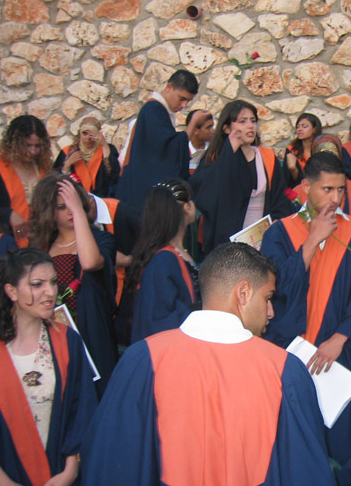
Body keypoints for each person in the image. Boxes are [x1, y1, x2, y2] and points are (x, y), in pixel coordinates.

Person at [76, 242, 344, 486]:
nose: (271, 312)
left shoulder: (142, 360)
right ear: (243, 293)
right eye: (268, 298)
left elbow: (109, 474)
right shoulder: (284, 371)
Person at [261, 152, 351, 464]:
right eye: (327, 189)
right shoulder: (279, 232)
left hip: (343, 357)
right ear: (306, 187)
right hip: (293, 356)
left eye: (341, 189)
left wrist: (341, 338)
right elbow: (274, 294)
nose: (336, 198)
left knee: (348, 448)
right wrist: (312, 241)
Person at [0, 248, 97, 486]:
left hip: (59, 480)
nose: (50, 292)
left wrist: (70, 471)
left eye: (53, 282)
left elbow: (82, 410)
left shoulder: (68, 340)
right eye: (37, 284)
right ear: (11, 291)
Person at [29, 173, 117, 396]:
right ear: (48, 211)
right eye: (61, 207)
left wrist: (78, 212)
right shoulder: (41, 247)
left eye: (73, 203)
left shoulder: (102, 239)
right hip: (50, 334)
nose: (69, 211)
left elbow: (89, 262)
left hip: (90, 333)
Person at [192, 100, 292, 255]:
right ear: (226, 128)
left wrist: (277, 220)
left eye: (253, 121)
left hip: (261, 237)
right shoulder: (215, 158)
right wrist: (229, 150)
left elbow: (280, 198)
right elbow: (207, 195)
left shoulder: (267, 157)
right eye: (242, 121)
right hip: (228, 239)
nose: (250, 126)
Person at [115, 70, 210, 217]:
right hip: (139, 191)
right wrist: (193, 123)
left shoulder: (161, 111)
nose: (184, 105)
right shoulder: (153, 109)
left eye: (188, 101)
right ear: (169, 87)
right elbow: (169, 149)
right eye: (182, 98)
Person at [122, 179, 198, 345]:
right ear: (187, 207)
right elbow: (159, 319)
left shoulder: (172, 254)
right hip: (172, 347)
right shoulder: (163, 260)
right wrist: (200, 311)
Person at [0, 115, 54, 246]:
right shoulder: (1, 165)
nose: (33, 151)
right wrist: (8, 214)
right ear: (14, 143)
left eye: (37, 146)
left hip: (41, 241)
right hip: (7, 242)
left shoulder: (44, 168)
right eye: (27, 145)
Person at [53, 117, 120, 197]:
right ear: (80, 133)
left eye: (92, 134)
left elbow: (114, 178)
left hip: (101, 200)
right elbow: (55, 180)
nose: (88, 138)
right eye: (84, 133)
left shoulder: (107, 149)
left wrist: (104, 146)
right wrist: (67, 165)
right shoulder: (68, 152)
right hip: (74, 198)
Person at [284, 113, 322, 187]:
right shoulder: (292, 150)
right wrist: (293, 169)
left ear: (314, 129)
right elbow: (287, 181)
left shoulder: (321, 149)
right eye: (298, 127)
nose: (299, 129)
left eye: (304, 126)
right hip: (299, 191)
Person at [185, 109, 215, 174]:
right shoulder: (182, 152)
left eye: (212, 126)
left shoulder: (215, 151)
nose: (213, 131)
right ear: (196, 130)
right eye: (208, 127)